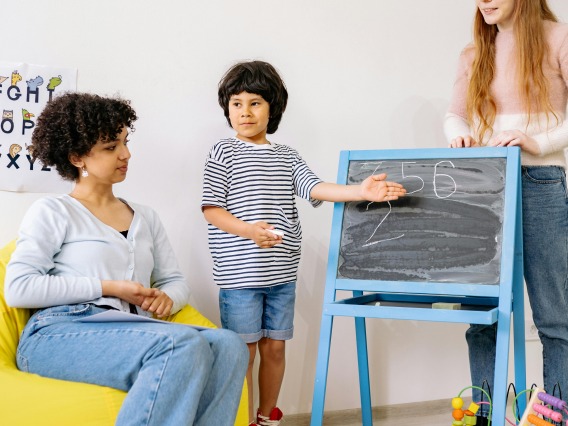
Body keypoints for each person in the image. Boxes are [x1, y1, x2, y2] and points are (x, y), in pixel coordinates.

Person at [4, 92, 248, 426]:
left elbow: (174, 282)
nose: (126, 154)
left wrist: (167, 298)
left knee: (229, 345)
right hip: (58, 332)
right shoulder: (53, 211)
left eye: (124, 142)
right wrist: (111, 288)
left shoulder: (145, 217)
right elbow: (19, 288)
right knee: (181, 345)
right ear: (78, 158)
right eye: (110, 147)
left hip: (131, 329)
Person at [201, 60, 407, 426]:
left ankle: (267, 417)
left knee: (275, 348)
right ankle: (243, 419)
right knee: (243, 353)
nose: (244, 112)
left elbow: (315, 188)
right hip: (239, 277)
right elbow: (212, 209)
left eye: (255, 103)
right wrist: (248, 231)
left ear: (272, 108)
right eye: (236, 103)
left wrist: (361, 190)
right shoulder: (223, 153)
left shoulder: (286, 156)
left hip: (281, 273)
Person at [444, 0, 568, 415]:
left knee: (554, 315)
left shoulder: (558, 38)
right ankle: (485, 415)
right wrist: (459, 135)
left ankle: (554, 415)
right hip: (485, 188)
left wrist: (536, 142)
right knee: (481, 312)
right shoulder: (474, 51)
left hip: (540, 180)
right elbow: (455, 116)